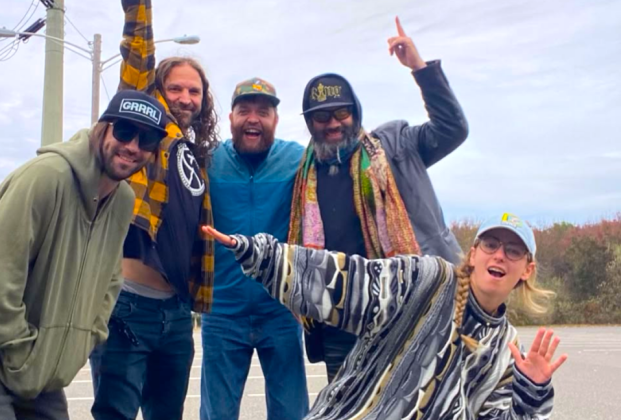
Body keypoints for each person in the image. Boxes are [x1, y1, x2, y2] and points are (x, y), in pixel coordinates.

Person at [0, 89, 168, 420]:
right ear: (103, 128)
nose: (134, 146)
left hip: (29, 356)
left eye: (147, 139)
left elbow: (109, 281)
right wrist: (22, 354)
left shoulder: (122, 201)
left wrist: (83, 341)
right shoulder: (46, 177)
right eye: (125, 131)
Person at [203, 212, 568, 419]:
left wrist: (531, 392)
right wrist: (263, 255)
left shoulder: (507, 351)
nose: (500, 255)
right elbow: (347, 280)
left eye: (513, 250)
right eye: (491, 244)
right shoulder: (427, 280)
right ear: (473, 254)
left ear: (527, 270)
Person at [290, 17, 469, 381]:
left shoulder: (396, 144)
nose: (333, 123)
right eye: (321, 116)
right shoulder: (303, 175)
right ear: (310, 123)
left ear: (356, 111)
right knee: (347, 407)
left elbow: (453, 129)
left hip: (411, 305)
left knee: (417, 402)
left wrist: (420, 70)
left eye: (342, 112)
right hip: (339, 318)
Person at [89, 1, 219, 419]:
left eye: (194, 90)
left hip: (176, 313)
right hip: (128, 306)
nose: (185, 97)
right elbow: (138, 55)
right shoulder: (150, 131)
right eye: (175, 88)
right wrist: (139, 9)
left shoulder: (193, 156)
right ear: (158, 91)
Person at [200, 78, 309, 420]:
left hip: (281, 310)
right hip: (222, 312)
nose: (253, 118)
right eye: (244, 110)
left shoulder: (299, 160)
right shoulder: (208, 161)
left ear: (276, 120)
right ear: (230, 117)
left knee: (292, 413)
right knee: (217, 414)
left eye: (263, 111)